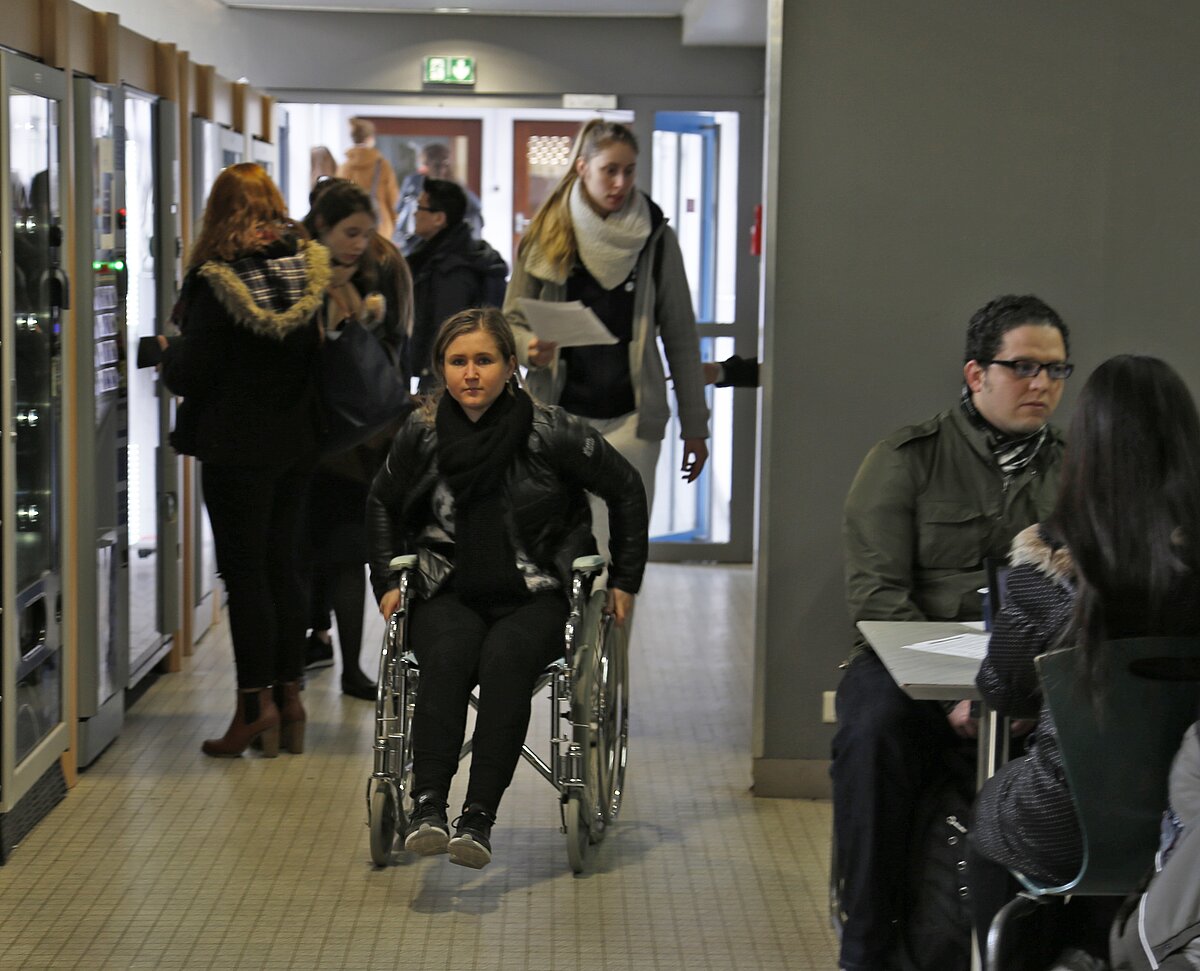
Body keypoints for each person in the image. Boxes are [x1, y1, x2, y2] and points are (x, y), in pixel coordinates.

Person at [833, 294, 1071, 971]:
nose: (1042, 384)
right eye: (1023, 367)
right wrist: (951, 698)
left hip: (1037, 674)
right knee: (871, 730)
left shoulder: (1079, 468)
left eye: (1055, 370)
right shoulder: (907, 458)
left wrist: (1017, 694)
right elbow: (878, 597)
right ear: (976, 374)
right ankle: (868, 944)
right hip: (912, 669)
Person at [366, 308, 648, 870]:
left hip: (535, 592)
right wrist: (386, 580)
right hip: (448, 588)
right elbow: (382, 502)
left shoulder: (551, 431)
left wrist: (624, 580)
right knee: (445, 658)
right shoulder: (422, 433)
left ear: (511, 367)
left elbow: (626, 488)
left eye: (484, 360)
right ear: (442, 369)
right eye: (458, 361)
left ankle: (477, 818)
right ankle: (427, 807)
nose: (471, 373)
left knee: (506, 660)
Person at [970, 355, 1200, 957]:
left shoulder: (1049, 565)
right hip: (1188, 826)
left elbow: (1001, 690)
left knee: (988, 811)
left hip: (1068, 825)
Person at [159, 162, 329, 757]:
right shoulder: (307, 271)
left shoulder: (217, 281)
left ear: (219, 212)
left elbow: (192, 372)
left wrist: (166, 355)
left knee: (246, 576)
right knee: (284, 567)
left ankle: (252, 708)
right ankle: (290, 699)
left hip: (236, 451)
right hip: (297, 447)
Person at [504, 119, 709, 558]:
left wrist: (696, 426)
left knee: (620, 562)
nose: (620, 183)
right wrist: (529, 349)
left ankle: (612, 632)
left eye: (629, 171)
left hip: (632, 420)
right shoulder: (545, 235)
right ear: (582, 167)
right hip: (557, 418)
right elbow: (511, 322)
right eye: (609, 170)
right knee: (557, 555)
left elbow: (681, 337)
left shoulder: (656, 238)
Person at [300, 178, 414, 698]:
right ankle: (311, 657)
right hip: (318, 438)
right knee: (314, 556)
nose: (358, 243)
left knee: (349, 554)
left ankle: (349, 665)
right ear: (321, 225)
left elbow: (395, 346)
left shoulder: (378, 266)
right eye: (350, 232)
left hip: (357, 440)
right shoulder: (300, 273)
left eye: (365, 233)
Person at [406, 177, 508, 389]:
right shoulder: (437, 254)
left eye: (420, 207)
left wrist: (432, 375)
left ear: (438, 219)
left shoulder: (451, 266)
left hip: (447, 377)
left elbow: (445, 330)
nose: (414, 213)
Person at [394, 142, 484, 252]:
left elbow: (400, 209)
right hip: (444, 246)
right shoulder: (455, 185)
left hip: (424, 245)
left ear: (424, 163)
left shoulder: (415, 183)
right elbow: (475, 209)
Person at [336, 117, 400, 240]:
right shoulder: (382, 165)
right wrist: (394, 221)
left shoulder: (344, 167)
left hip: (351, 226)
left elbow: (338, 198)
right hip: (380, 225)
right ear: (370, 139)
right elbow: (393, 199)